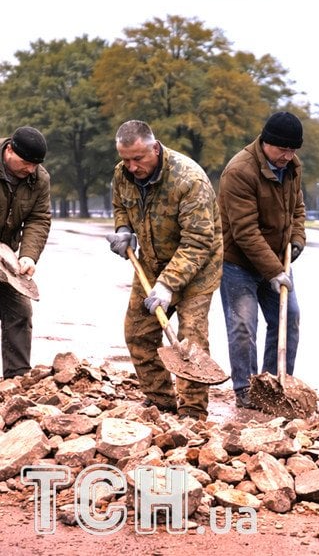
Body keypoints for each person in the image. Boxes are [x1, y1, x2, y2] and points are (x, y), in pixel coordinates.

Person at [105, 120, 222, 420]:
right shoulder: (123, 174)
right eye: (126, 159)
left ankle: (193, 412)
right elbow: (121, 205)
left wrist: (168, 285)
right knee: (138, 334)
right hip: (152, 262)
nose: (131, 166)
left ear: (154, 148)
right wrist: (123, 230)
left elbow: (198, 242)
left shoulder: (189, 180)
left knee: (190, 339)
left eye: (138, 159)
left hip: (198, 269)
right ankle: (161, 402)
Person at [218, 111, 306, 409]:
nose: (288, 156)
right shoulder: (239, 171)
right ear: (266, 142)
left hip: (277, 262)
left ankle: (276, 385)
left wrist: (297, 239)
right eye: (283, 149)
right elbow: (245, 231)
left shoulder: (292, 166)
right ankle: (245, 390)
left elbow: (298, 209)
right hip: (238, 263)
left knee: (289, 317)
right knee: (243, 326)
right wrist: (273, 271)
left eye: (293, 150)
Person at [0, 127, 50, 379]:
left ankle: (16, 378)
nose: (30, 170)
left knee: (20, 310)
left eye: (35, 165)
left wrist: (28, 255)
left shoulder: (39, 179)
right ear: (9, 150)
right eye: (26, 163)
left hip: (7, 258)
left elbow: (39, 219)